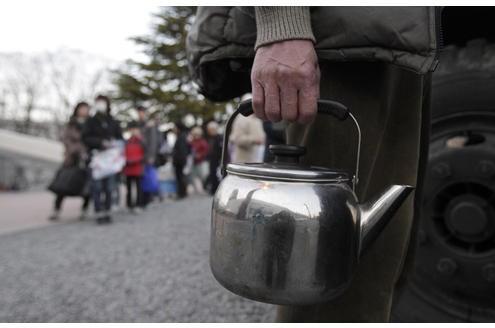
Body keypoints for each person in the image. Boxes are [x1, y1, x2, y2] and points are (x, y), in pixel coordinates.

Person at [187, 6, 439, 322]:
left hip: (398, 43)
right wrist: (282, 29)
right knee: (330, 286)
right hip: (334, 38)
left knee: (384, 260)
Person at [82, 95, 123, 224]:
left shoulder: (113, 121)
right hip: (96, 158)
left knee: (110, 187)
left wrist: (114, 144)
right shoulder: (90, 121)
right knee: (97, 187)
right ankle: (99, 211)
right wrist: (100, 142)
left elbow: (120, 138)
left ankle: (107, 211)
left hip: (110, 159)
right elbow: (85, 138)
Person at [49, 102, 91, 221]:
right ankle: (56, 209)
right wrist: (76, 150)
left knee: (86, 186)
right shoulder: (71, 123)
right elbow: (66, 139)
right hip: (71, 159)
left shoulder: (90, 124)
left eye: (86, 109)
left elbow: (92, 140)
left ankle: (85, 209)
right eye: (82, 108)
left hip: (86, 159)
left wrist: (85, 152)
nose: (84, 111)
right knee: (62, 184)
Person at [136, 105, 160, 205]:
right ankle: (142, 200)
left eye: (142, 112)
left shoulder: (150, 124)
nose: (140, 114)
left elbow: (153, 141)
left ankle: (147, 199)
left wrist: (151, 156)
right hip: (139, 155)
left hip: (147, 155)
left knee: (148, 178)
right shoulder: (138, 124)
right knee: (142, 179)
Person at [123, 121, 146, 213]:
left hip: (138, 168)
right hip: (128, 169)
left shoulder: (142, 142)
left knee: (138, 188)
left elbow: (145, 155)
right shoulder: (127, 142)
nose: (134, 131)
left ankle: (139, 205)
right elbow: (123, 153)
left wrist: (136, 160)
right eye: (132, 129)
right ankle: (129, 205)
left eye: (135, 129)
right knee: (128, 189)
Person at [172, 121, 191, 199]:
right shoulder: (182, 136)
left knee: (180, 177)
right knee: (181, 177)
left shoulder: (181, 136)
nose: (173, 129)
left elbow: (182, 150)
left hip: (180, 161)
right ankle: (182, 192)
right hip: (180, 160)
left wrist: (180, 159)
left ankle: (181, 193)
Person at [188, 126, 209, 193]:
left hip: (200, 162)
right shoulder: (191, 142)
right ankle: (195, 189)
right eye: (194, 134)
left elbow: (205, 151)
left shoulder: (203, 142)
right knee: (191, 176)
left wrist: (200, 155)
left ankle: (205, 187)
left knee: (203, 176)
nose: (195, 136)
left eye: (196, 134)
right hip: (192, 162)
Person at [204, 121, 223, 195]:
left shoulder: (219, 138)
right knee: (212, 174)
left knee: (216, 175)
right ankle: (213, 188)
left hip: (217, 159)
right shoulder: (210, 138)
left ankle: (216, 189)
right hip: (212, 159)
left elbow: (221, 150)